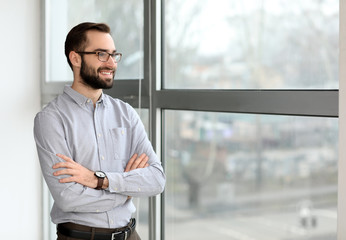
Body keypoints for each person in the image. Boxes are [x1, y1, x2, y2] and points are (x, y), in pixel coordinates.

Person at [34, 22, 166, 240]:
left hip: (131, 235)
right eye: (101, 54)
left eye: (114, 55)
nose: (111, 63)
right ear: (76, 58)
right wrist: (126, 191)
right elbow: (69, 197)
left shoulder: (126, 113)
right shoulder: (51, 119)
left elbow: (156, 179)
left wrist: (101, 181)